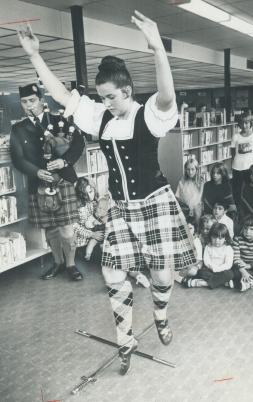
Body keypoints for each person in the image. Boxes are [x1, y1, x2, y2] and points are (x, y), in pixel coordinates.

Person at [18, 11, 196, 375]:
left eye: (111, 97)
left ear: (127, 91)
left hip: (155, 202)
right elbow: (60, 94)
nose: (106, 103)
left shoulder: (149, 115)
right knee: (114, 274)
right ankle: (125, 339)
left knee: (163, 276)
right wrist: (35, 56)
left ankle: (160, 315)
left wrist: (157, 46)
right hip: (120, 207)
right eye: (101, 97)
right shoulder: (100, 117)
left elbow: (167, 93)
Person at [10, 83, 85, 281]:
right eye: (24, 102)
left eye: (32, 101)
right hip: (39, 185)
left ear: (42, 101)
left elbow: (79, 143)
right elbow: (17, 158)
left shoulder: (60, 120)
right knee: (50, 228)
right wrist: (36, 172)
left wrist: (65, 160)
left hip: (63, 180)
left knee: (67, 228)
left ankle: (71, 265)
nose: (29, 105)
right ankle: (57, 263)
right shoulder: (18, 129)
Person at [181, 222, 234, 289]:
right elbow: (206, 261)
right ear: (210, 237)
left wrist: (217, 269)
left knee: (230, 274)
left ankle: (202, 283)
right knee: (201, 272)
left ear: (225, 238)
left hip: (222, 270)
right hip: (209, 269)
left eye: (220, 238)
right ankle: (222, 282)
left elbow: (228, 264)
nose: (217, 241)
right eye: (214, 238)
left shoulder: (228, 248)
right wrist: (212, 267)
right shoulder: (208, 247)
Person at [231, 114, 253, 206]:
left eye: (247, 123)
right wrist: (236, 162)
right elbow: (233, 152)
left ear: (250, 123)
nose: (244, 126)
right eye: (242, 123)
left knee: (249, 188)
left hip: (249, 167)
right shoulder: (235, 136)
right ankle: (238, 209)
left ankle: (250, 206)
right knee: (237, 190)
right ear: (239, 124)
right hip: (237, 167)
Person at [73, 177, 106, 260]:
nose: (89, 196)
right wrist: (92, 234)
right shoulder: (78, 206)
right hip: (83, 240)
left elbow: (97, 215)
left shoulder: (92, 202)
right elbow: (75, 227)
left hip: (94, 234)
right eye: (85, 193)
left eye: (91, 191)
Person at [175, 156, 203, 224]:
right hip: (185, 207)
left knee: (197, 211)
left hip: (197, 208)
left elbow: (200, 197)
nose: (190, 172)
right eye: (188, 169)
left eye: (193, 169)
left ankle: (197, 230)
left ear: (197, 170)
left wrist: (194, 207)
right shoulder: (182, 181)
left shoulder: (200, 181)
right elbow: (178, 197)